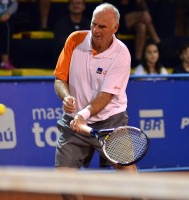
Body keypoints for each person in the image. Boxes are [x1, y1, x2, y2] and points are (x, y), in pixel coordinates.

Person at [54, 3, 137, 172]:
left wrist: (82, 115)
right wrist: (66, 97)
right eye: (93, 24)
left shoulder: (121, 54)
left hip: (110, 120)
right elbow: (59, 79)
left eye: (102, 27)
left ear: (115, 28)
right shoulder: (74, 40)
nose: (96, 30)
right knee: (63, 178)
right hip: (74, 122)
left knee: (127, 173)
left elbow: (105, 96)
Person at [106, 0, 162, 67]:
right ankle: (158, 42)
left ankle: (137, 59)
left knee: (142, 27)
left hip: (132, 25)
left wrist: (142, 3)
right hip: (119, 23)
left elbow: (143, 9)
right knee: (144, 14)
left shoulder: (133, 2)